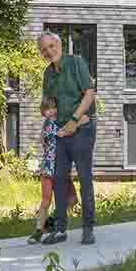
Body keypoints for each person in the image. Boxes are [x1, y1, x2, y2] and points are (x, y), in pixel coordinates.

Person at [37, 31, 97, 245]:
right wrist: (48, 129)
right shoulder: (48, 74)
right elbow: (48, 105)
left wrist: (74, 120)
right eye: (44, 49)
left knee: (84, 177)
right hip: (61, 132)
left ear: (60, 45)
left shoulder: (76, 63)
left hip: (82, 128)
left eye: (52, 46)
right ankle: (60, 229)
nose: (48, 51)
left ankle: (88, 227)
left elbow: (89, 94)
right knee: (59, 179)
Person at [27, 97, 89, 244]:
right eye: (48, 109)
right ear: (43, 112)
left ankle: (51, 224)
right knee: (46, 200)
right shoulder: (49, 124)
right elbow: (62, 132)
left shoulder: (60, 120)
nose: (51, 111)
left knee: (72, 200)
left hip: (62, 167)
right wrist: (79, 122)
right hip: (49, 168)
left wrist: (76, 123)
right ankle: (38, 230)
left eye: (54, 108)